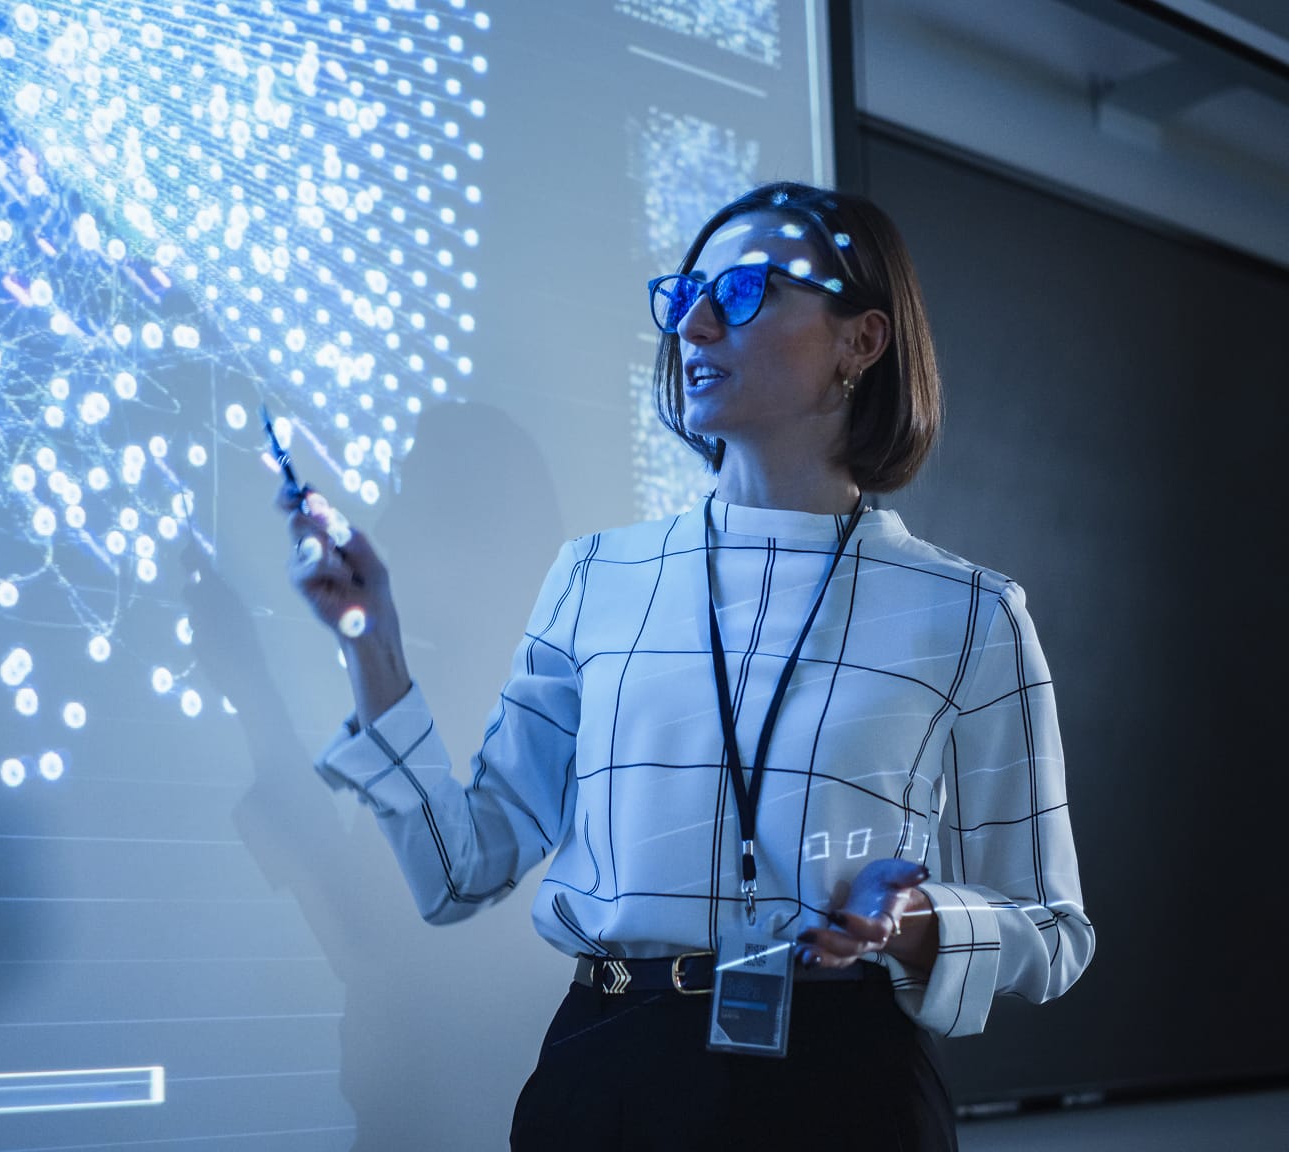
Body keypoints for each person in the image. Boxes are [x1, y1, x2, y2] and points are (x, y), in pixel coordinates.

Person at [277, 181, 1094, 1150]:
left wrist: (915, 921)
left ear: (860, 342)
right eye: (683, 297)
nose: (696, 325)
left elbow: (1052, 929)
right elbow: (462, 871)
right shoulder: (596, 575)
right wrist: (373, 646)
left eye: (744, 292)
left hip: (850, 1081)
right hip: (613, 1071)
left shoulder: (968, 611)